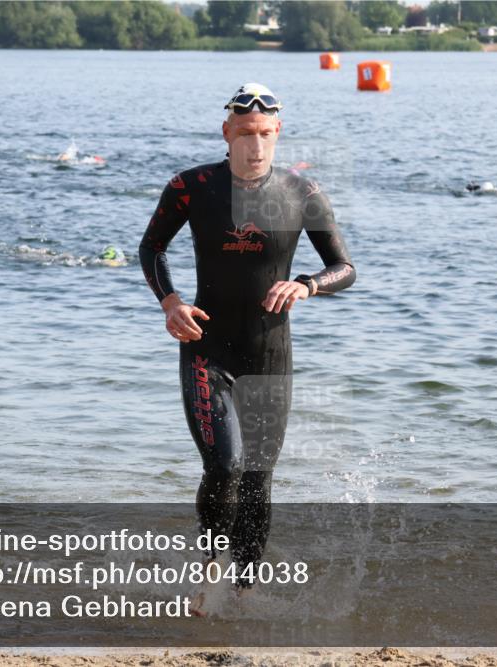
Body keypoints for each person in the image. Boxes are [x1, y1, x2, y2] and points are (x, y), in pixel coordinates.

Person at [138, 83, 356, 614]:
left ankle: (244, 591)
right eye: (244, 134)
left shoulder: (301, 193)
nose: (255, 146)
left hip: (269, 356)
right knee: (226, 466)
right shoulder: (192, 187)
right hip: (206, 350)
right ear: (226, 133)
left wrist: (306, 284)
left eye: (264, 134)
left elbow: (345, 268)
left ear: (276, 132)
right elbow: (152, 247)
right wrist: (170, 302)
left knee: (258, 481)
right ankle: (211, 571)